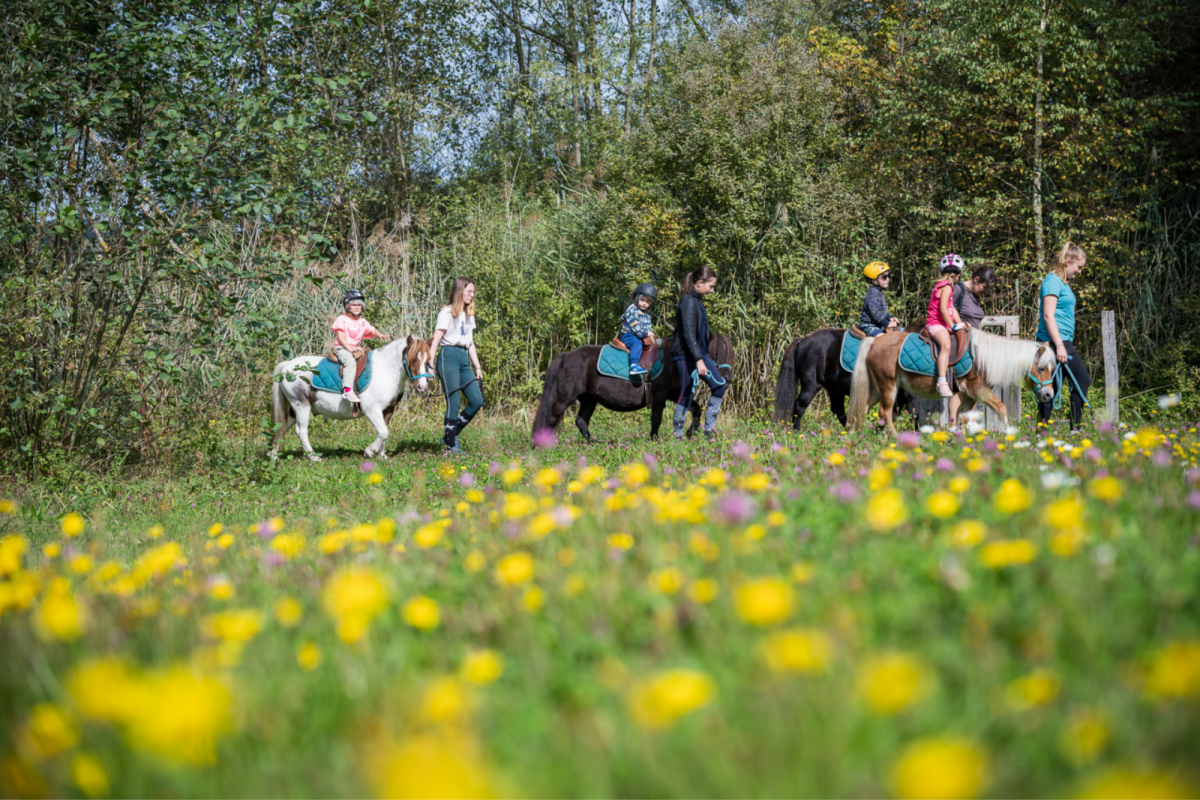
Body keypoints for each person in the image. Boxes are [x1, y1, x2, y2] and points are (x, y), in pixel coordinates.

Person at [1036, 242, 1091, 431]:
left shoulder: (1063, 283)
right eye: (1079, 267)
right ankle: (1073, 428)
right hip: (1054, 341)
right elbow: (1048, 315)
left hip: (1062, 340)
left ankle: (1043, 430)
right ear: (1068, 262)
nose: (1080, 271)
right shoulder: (1052, 281)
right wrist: (1059, 346)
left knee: (1054, 385)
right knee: (1081, 380)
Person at [670, 266, 727, 439]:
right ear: (700, 283)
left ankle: (709, 431)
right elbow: (687, 333)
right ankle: (677, 435)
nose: (712, 290)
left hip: (698, 354)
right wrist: (698, 360)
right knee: (687, 394)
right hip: (685, 355)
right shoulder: (688, 301)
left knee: (719, 385)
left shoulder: (698, 301)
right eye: (710, 286)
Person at [430, 277, 484, 452]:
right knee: (454, 403)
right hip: (448, 357)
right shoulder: (446, 312)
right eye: (469, 291)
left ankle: (449, 437)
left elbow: (470, 343)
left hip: (463, 358)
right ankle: (451, 445)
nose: (472, 295)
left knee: (477, 401)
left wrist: (477, 367)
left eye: (473, 292)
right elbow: (436, 339)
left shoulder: (468, 315)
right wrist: (430, 363)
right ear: (460, 291)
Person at [947, 266, 996, 424]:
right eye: (985, 287)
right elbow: (947, 310)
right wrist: (960, 324)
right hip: (959, 343)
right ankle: (953, 425)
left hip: (973, 343)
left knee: (973, 386)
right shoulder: (958, 290)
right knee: (959, 388)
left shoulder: (975, 295)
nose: (985, 291)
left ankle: (965, 424)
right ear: (976, 280)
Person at [331, 289, 389, 404]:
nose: (357, 307)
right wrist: (349, 349)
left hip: (354, 349)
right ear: (347, 306)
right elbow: (340, 337)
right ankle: (347, 389)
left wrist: (380, 335)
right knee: (350, 362)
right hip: (342, 348)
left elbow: (372, 329)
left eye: (359, 305)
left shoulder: (362, 322)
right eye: (353, 305)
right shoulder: (342, 319)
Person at [926, 254, 966, 398]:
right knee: (946, 345)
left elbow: (952, 308)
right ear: (958, 274)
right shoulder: (947, 287)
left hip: (943, 323)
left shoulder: (943, 286)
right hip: (936, 323)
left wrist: (959, 323)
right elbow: (943, 309)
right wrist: (952, 326)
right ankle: (941, 381)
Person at [620, 283, 658, 375]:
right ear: (637, 298)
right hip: (629, 335)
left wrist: (651, 335)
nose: (644, 303)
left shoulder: (647, 315)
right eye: (642, 300)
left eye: (648, 301)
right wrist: (646, 333)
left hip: (640, 336)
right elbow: (636, 328)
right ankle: (633, 365)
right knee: (637, 345)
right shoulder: (632, 310)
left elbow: (648, 328)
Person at [860, 260, 900, 337]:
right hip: (870, 326)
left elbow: (881, 312)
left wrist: (890, 318)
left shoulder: (878, 292)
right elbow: (876, 314)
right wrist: (887, 324)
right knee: (884, 340)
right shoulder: (873, 292)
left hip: (877, 325)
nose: (888, 279)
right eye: (884, 277)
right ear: (874, 280)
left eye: (889, 276)